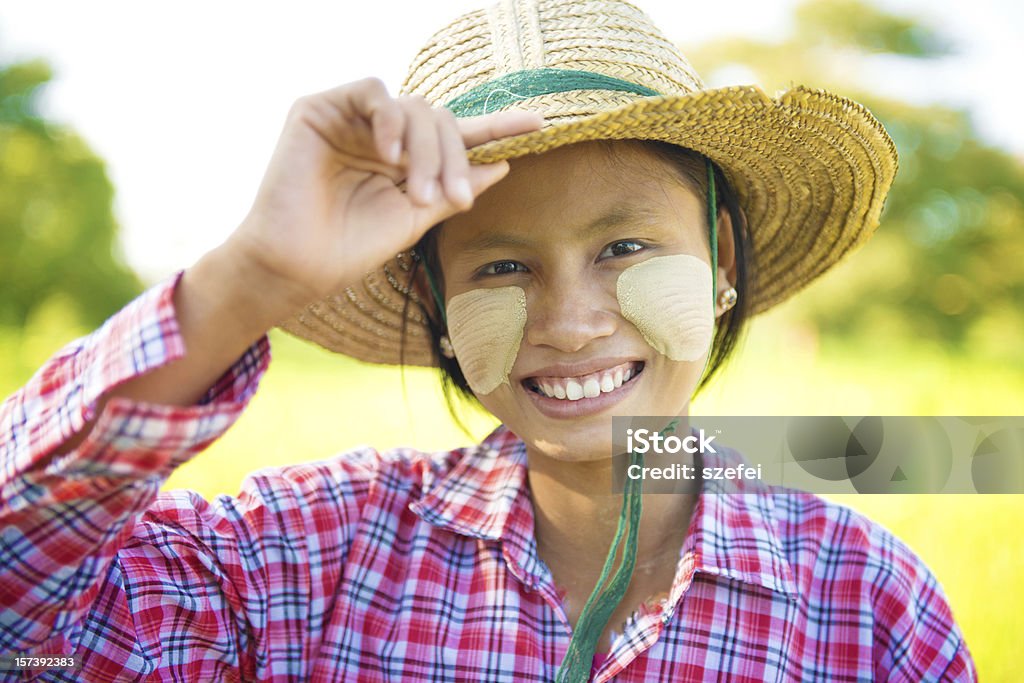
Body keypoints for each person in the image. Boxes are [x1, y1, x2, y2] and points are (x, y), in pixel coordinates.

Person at [0, 0, 975, 680]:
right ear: (437, 302)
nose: (567, 320)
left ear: (719, 259)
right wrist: (253, 277)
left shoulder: (866, 599)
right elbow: (23, 613)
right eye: (498, 268)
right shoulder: (308, 557)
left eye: (625, 246)